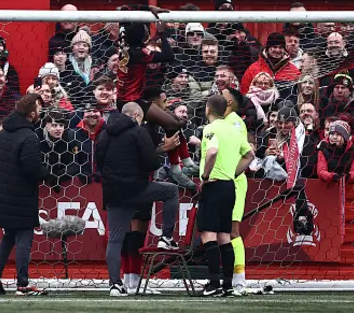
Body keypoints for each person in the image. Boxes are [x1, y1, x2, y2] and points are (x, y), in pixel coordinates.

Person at [95, 102, 180, 297]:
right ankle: (166, 237)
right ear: (136, 116)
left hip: (113, 192)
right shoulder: (138, 131)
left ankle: (115, 285)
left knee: (115, 240)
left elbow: (98, 161)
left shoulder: (105, 133)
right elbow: (151, 163)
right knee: (171, 191)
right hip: (136, 189)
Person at [117, 21, 198, 179]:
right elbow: (168, 56)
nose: (149, 32)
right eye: (146, 29)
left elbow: (126, 13)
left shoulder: (123, 43)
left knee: (173, 122)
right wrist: (162, 33)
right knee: (173, 123)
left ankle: (182, 164)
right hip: (133, 102)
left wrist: (148, 9)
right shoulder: (139, 53)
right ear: (141, 36)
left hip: (128, 98)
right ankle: (176, 166)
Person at [0, 94, 48, 296]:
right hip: (20, 196)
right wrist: (47, 172)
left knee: (9, 236)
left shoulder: (4, 132)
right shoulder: (29, 136)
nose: (40, 112)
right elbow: (31, 169)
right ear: (31, 114)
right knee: (24, 238)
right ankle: (23, 284)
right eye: (38, 108)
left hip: (3, 193)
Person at [198, 95, 254, 297]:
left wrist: (205, 176)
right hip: (230, 186)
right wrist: (234, 172)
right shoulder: (233, 129)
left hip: (214, 185)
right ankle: (228, 285)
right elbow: (250, 155)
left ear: (207, 109)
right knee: (224, 236)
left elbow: (212, 152)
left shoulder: (210, 129)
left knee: (208, 235)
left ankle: (213, 284)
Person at [221, 86, 250, 294]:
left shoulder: (236, 123)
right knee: (220, 231)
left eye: (222, 95)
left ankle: (239, 280)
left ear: (229, 102)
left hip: (234, 181)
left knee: (232, 231)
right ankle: (225, 278)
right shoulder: (221, 122)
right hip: (222, 181)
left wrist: (231, 174)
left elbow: (247, 153)